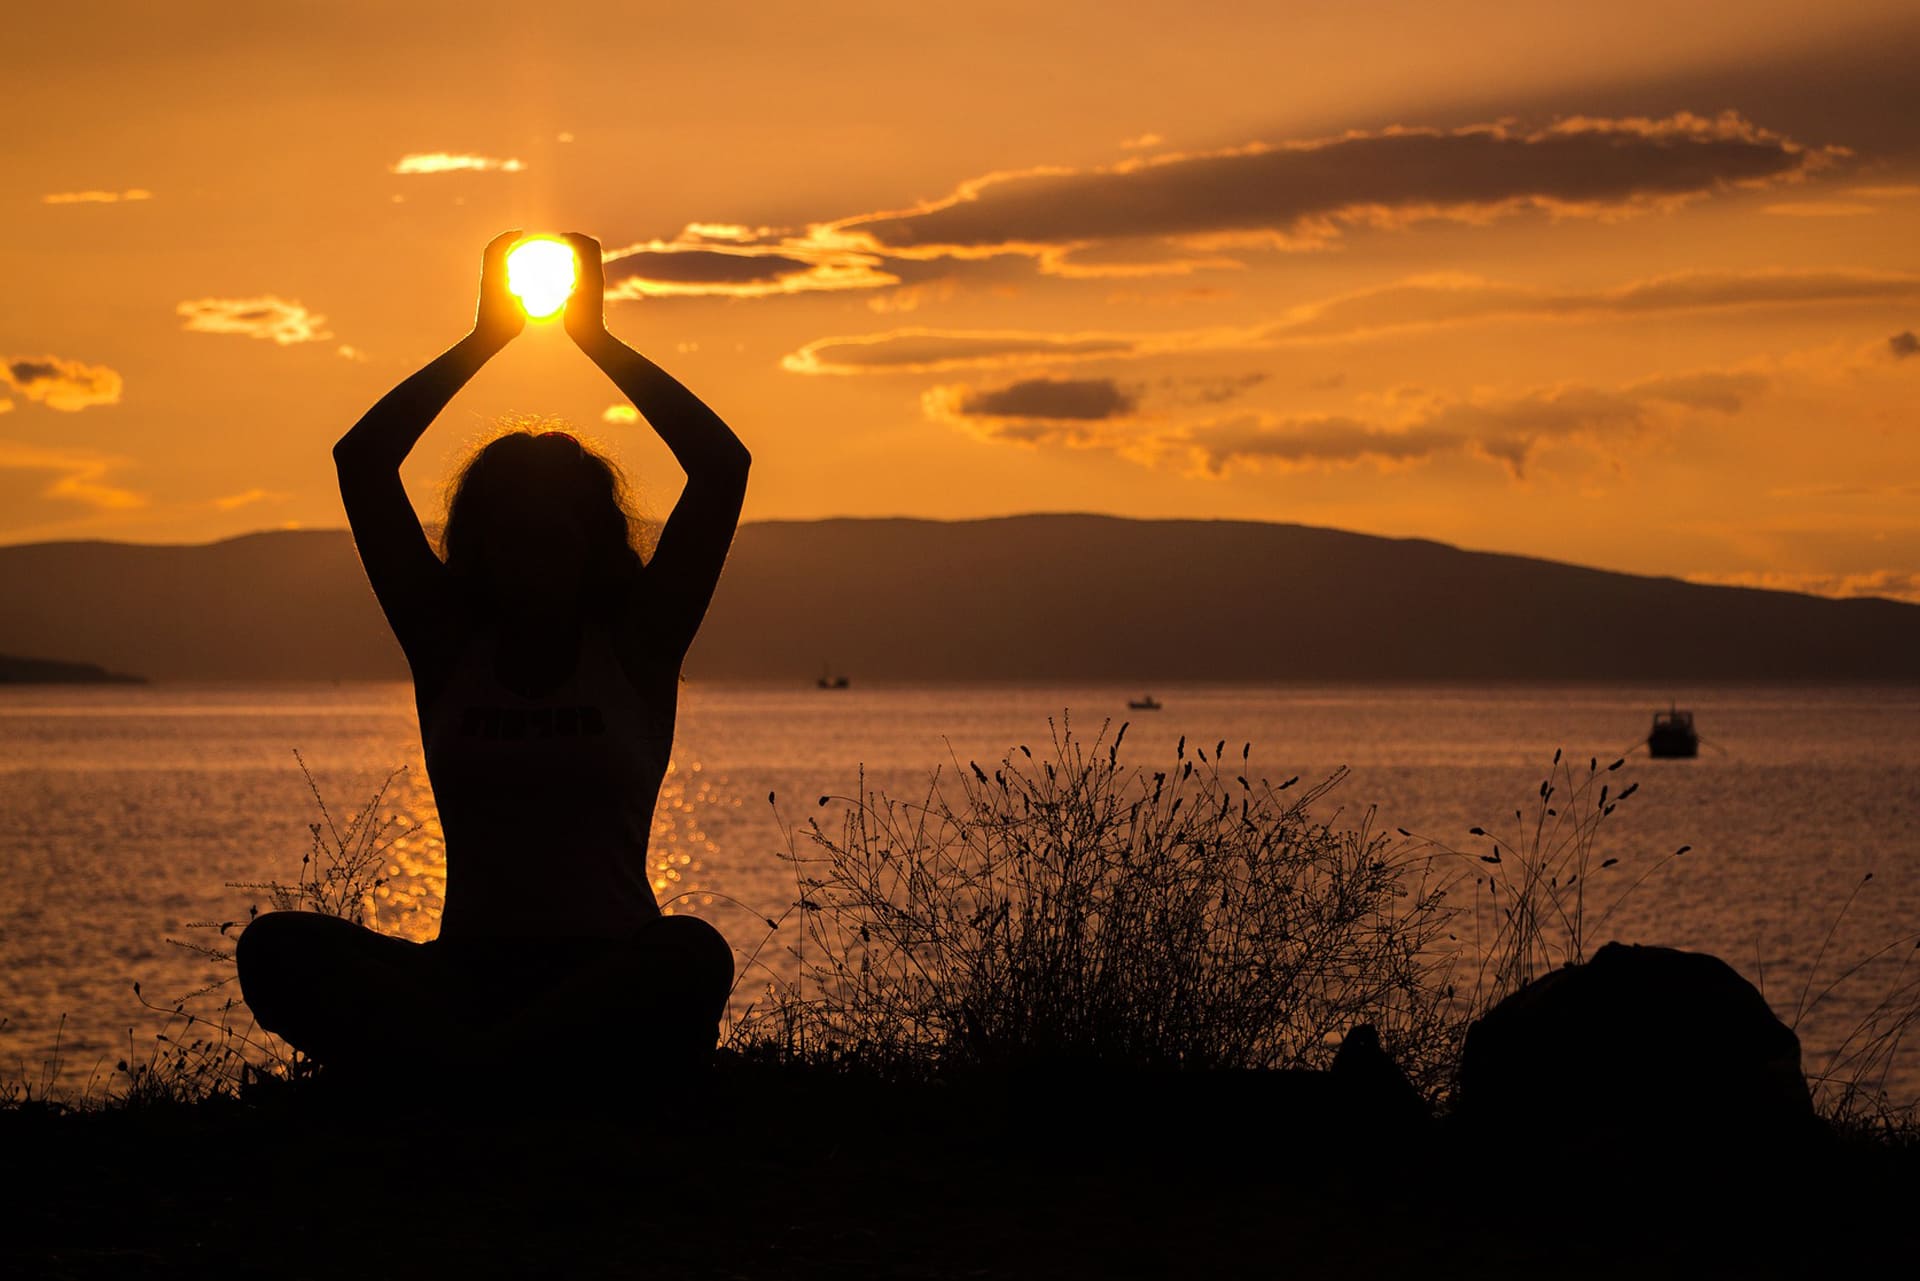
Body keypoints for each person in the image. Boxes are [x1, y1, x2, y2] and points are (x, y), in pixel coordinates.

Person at [236, 230, 748, 1088]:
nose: (535, 554)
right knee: (276, 947)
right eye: (514, 535)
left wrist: (597, 340)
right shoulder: (446, 647)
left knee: (692, 953)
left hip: (605, 974)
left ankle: (467, 1076)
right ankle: (505, 1073)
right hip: (465, 976)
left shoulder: (637, 648)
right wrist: (485, 339)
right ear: (480, 546)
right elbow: (362, 462)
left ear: (593, 545)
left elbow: (721, 466)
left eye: (556, 534)